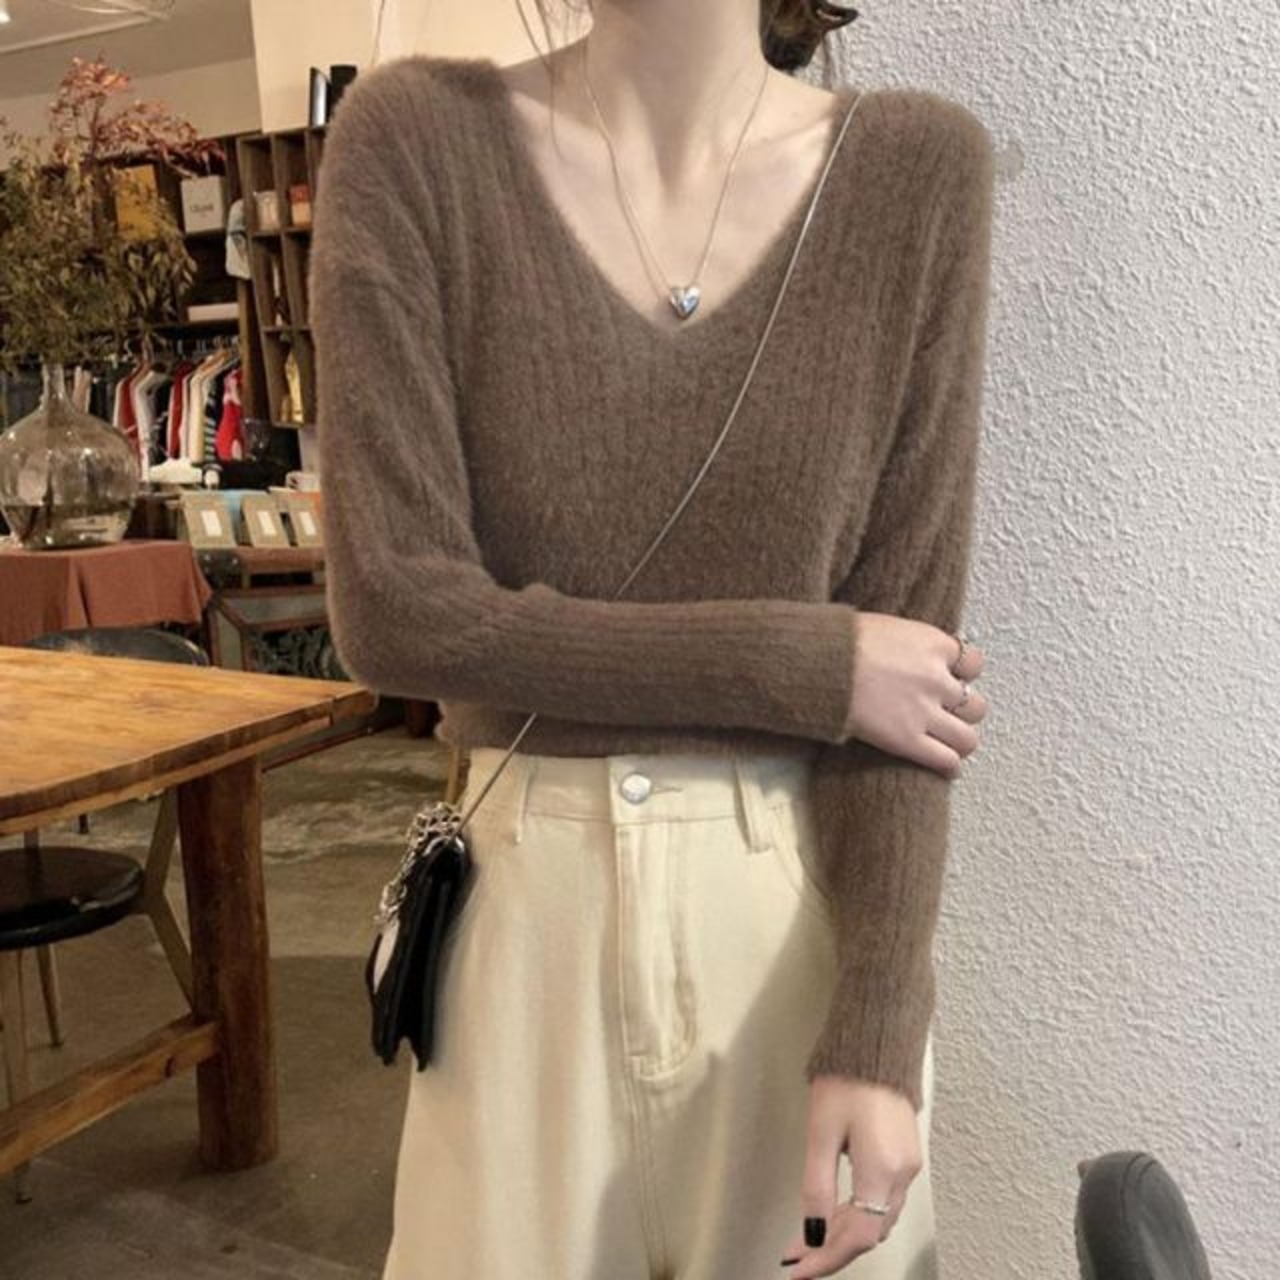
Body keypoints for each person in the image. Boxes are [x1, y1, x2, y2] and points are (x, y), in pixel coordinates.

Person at [309, 1, 995, 1276]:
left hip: (792, 922)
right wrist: (808, 665)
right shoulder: (415, 140)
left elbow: (911, 679)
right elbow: (395, 610)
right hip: (525, 937)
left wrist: (881, 1019)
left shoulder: (912, 173)